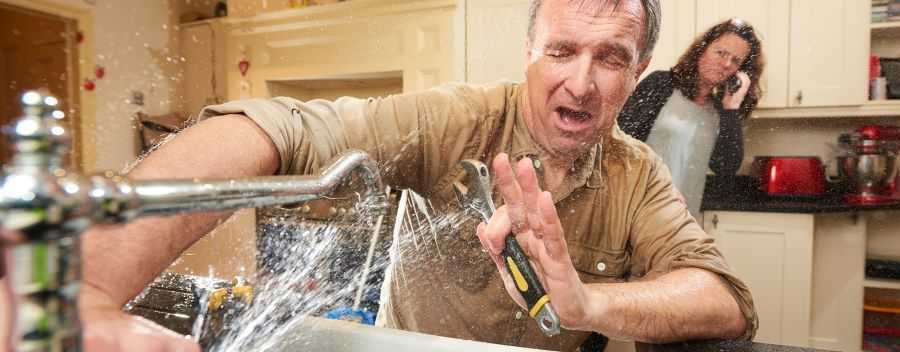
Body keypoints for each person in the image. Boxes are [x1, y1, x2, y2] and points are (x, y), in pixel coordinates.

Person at [73, 1, 757, 351]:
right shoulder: (457, 122)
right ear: (528, 53)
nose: (580, 81)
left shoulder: (634, 175)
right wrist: (95, 287)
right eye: (562, 50)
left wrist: (588, 304)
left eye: (610, 57)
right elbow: (276, 128)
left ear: (637, 72)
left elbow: (724, 298)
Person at [618, 18, 765, 218]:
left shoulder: (720, 111)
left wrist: (731, 108)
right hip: (636, 212)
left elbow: (725, 167)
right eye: (721, 53)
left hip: (684, 220)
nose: (726, 64)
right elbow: (620, 144)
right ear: (702, 49)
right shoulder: (661, 84)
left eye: (736, 61)